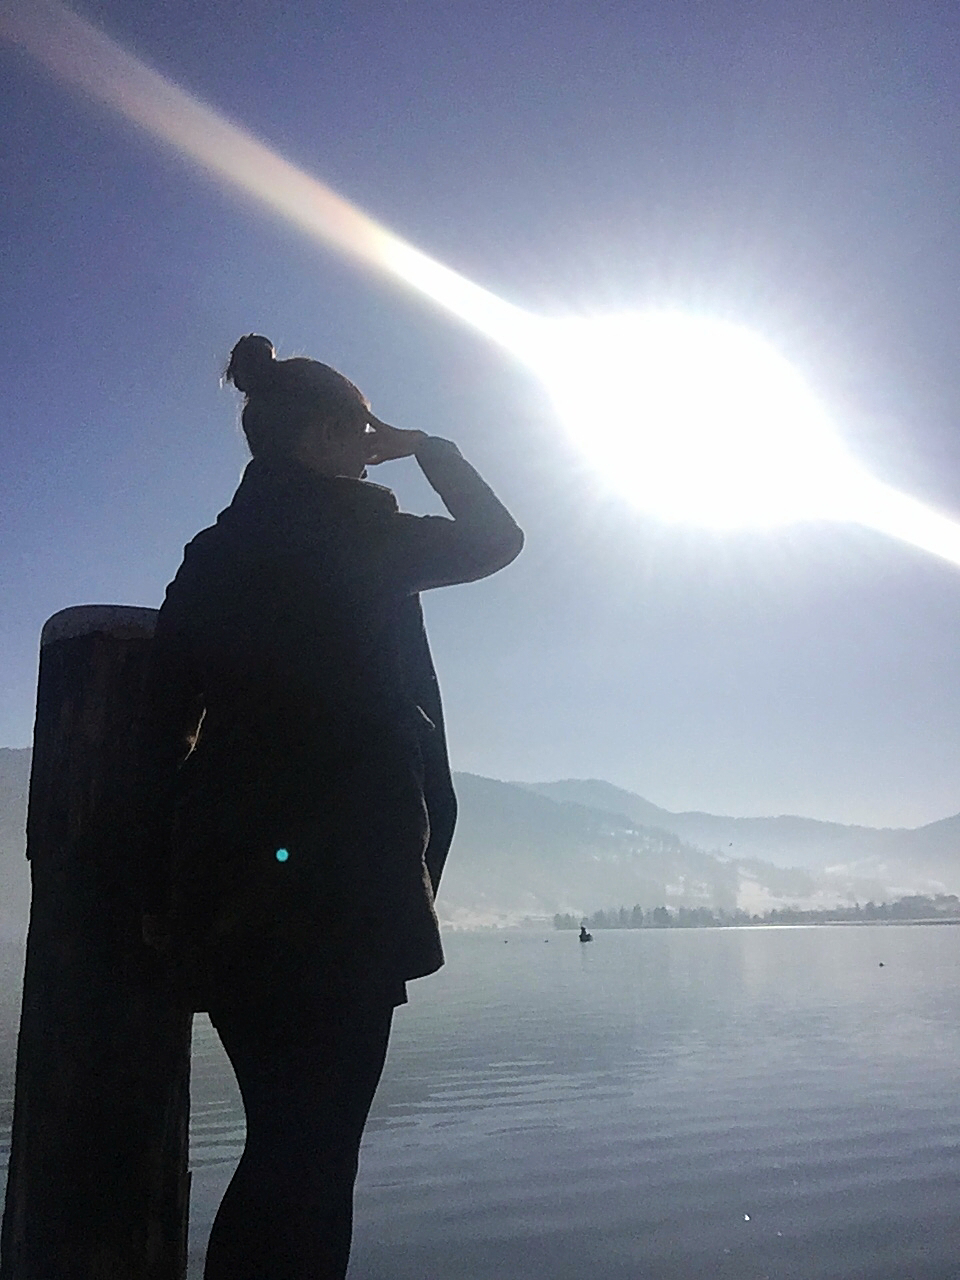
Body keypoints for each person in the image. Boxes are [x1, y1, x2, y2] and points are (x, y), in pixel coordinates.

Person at [135, 334, 523, 1280]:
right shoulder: (360, 535)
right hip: (342, 900)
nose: (367, 445)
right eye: (355, 429)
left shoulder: (214, 553)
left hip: (229, 895)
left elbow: (162, 722)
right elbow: (498, 538)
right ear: (314, 437)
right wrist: (429, 444)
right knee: (312, 1162)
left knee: (284, 1146)